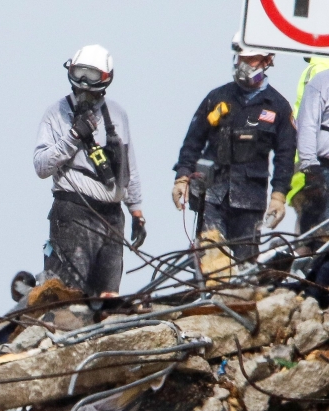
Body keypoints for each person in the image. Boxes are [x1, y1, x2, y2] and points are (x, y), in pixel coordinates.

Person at [172, 34, 296, 268]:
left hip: (250, 200)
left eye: (252, 59)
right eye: (242, 58)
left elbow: (285, 156)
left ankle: (236, 300)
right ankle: (209, 299)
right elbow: (193, 142)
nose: (245, 64)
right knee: (211, 256)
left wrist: (279, 196)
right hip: (212, 195)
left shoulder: (278, 106)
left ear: (267, 60)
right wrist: (182, 177)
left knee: (245, 265)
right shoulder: (217, 97)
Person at [34, 44, 146, 298]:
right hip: (74, 213)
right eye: (79, 74)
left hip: (112, 218)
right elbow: (41, 166)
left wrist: (136, 212)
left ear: (105, 80)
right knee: (70, 297)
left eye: (91, 76)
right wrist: (73, 137)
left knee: (107, 298)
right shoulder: (56, 114)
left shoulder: (117, 115)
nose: (84, 83)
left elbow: (129, 167)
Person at [294, 60, 329, 241]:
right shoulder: (322, 81)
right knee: (320, 240)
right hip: (324, 169)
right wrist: (310, 167)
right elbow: (307, 124)